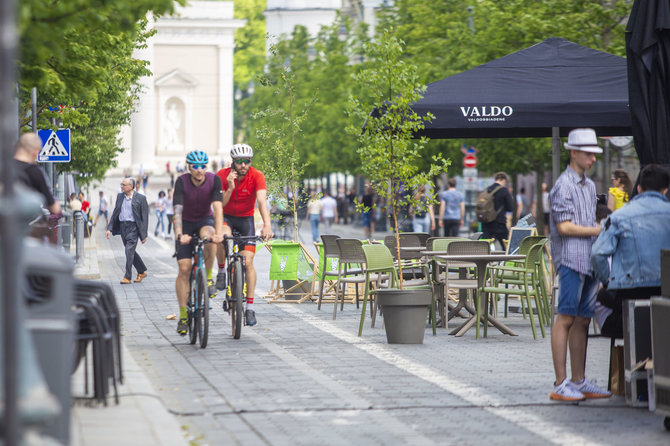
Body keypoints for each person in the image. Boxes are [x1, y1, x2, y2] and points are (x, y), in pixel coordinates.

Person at [548, 128, 609, 402]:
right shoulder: (563, 185)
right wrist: (596, 231)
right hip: (572, 260)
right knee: (566, 318)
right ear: (573, 153)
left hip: (588, 260)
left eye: (594, 154)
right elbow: (563, 227)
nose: (593, 159)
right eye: (588, 154)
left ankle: (579, 380)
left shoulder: (590, 186)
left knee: (582, 320)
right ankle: (561, 383)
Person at [591, 164, 670, 331]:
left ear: (639, 189)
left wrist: (607, 282)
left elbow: (597, 254)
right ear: (665, 190)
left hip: (628, 292)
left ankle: (632, 338)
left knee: (598, 299)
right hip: (664, 293)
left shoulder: (619, 216)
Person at [215, 144, 273, 326]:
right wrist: (230, 187)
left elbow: (262, 202)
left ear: (250, 162)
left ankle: (249, 308)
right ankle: (222, 271)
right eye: (239, 161)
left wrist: (267, 225)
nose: (243, 165)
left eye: (246, 162)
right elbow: (219, 204)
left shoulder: (257, 176)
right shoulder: (221, 176)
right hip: (226, 217)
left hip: (246, 219)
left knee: (248, 262)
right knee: (222, 236)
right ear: (233, 161)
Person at [173, 150, 224, 335]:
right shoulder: (181, 182)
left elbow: (218, 208)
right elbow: (177, 211)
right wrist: (180, 235)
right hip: (185, 224)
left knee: (209, 238)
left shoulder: (214, 180)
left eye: (203, 166)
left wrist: (218, 234)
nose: (200, 170)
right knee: (184, 269)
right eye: (195, 167)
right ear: (189, 167)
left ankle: (208, 276)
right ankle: (183, 316)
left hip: (204, 220)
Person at [106, 177, 149, 285]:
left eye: (123, 185)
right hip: (122, 227)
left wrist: (144, 235)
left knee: (128, 251)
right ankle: (141, 271)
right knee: (130, 252)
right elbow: (115, 212)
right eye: (121, 184)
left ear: (131, 186)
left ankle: (127, 277)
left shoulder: (141, 198)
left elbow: (145, 217)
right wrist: (109, 228)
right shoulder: (120, 197)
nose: (121, 186)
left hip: (133, 227)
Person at [13, 133, 61, 216]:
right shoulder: (34, 172)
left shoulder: (4, 166)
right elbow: (54, 207)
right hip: (21, 224)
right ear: (35, 151)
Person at [480, 172, 515, 249]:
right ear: (503, 180)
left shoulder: (487, 190)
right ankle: (504, 261)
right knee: (506, 246)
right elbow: (510, 208)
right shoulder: (504, 191)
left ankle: (487, 261)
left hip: (486, 223)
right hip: (499, 223)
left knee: (486, 246)